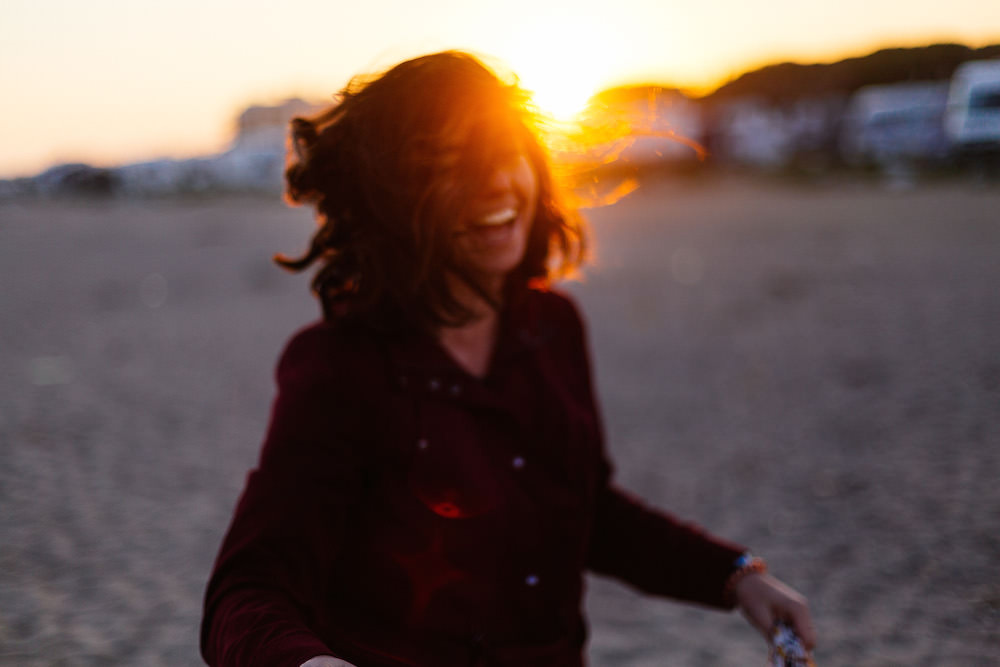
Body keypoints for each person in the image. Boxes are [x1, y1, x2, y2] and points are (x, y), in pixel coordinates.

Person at [200, 51, 816, 667]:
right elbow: (248, 589)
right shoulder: (339, 370)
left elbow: (586, 510)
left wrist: (736, 577)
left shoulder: (552, 328)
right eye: (452, 166)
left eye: (503, 152)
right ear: (389, 198)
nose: (494, 183)